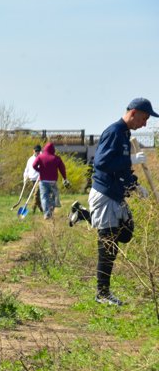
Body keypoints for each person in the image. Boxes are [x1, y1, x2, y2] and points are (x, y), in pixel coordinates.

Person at [68, 97, 156, 306]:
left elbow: (122, 170)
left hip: (117, 194)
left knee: (126, 232)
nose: (144, 124)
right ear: (133, 113)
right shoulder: (114, 132)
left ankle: (83, 214)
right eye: (144, 119)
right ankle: (102, 294)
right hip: (105, 194)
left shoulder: (125, 134)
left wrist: (134, 185)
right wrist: (131, 159)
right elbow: (102, 162)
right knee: (108, 244)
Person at [31, 142, 70, 219]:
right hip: (53, 182)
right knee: (53, 197)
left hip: (43, 181)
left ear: (45, 149)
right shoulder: (56, 158)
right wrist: (64, 178)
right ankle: (51, 211)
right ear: (53, 150)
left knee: (44, 197)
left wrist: (39, 170)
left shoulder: (40, 157)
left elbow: (34, 165)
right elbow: (62, 169)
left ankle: (46, 214)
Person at [23, 145, 43, 213]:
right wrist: (25, 177)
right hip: (32, 179)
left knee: (36, 194)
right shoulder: (30, 159)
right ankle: (42, 209)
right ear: (33, 151)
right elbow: (27, 169)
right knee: (36, 195)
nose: (37, 152)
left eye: (38, 151)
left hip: (40, 178)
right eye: (36, 151)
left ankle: (33, 209)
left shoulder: (42, 158)